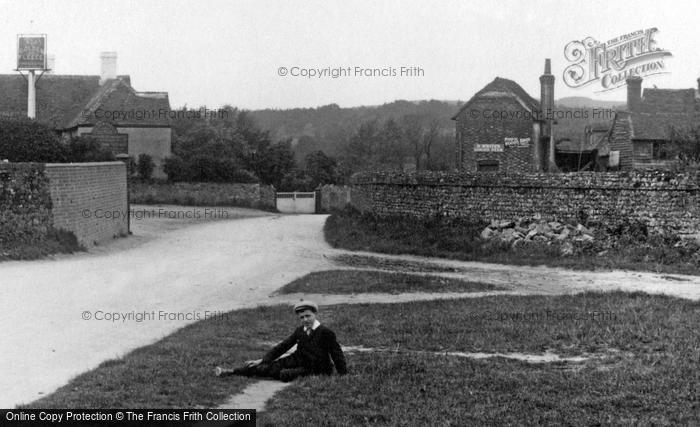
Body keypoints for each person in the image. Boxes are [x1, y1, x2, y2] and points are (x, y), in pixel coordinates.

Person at [215, 300, 347, 382]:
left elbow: (337, 353)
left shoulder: (326, 332)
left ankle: (252, 372)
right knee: (267, 367)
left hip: (317, 367)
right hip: (298, 360)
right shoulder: (300, 330)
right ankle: (231, 371)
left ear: (315, 314)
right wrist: (263, 359)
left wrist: (342, 374)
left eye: (308, 316)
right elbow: (284, 346)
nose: (305, 320)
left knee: (284, 374)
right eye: (302, 317)